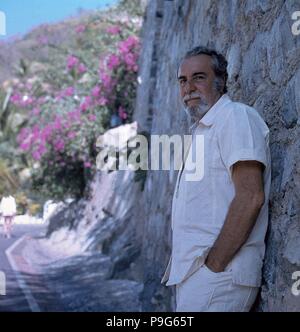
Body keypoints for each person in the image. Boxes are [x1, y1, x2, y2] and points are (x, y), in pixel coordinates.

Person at [161, 46, 271, 312]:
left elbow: (251, 196)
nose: (188, 88)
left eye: (199, 77)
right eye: (183, 81)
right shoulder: (202, 131)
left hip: (220, 275)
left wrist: (214, 265)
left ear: (220, 82)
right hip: (196, 276)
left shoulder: (235, 117)